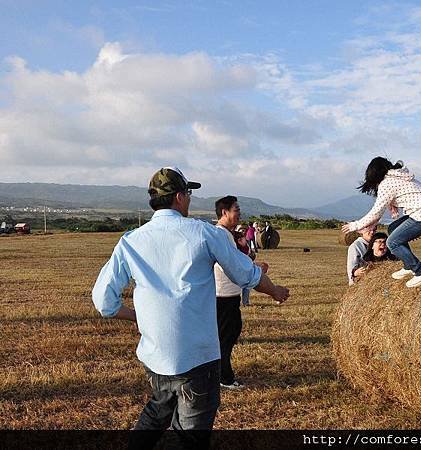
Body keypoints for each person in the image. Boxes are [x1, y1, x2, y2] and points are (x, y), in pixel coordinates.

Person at [91, 167, 289, 445]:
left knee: (157, 411)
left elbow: (104, 302)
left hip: (155, 357)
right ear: (180, 197)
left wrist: (135, 316)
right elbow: (247, 275)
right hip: (198, 359)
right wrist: (276, 291)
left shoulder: (130, 241)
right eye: (189, 193)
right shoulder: (204, 233)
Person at [341, 157, 421, 288]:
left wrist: (355, 225)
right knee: (393, 228)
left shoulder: (387, 184)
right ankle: (408, 265)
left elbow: (376, 212)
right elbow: (378, 215)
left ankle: (420, 272)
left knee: (392, 242)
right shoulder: (398, 177)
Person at [214, 196, 254, 389]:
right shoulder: (220, 235)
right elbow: (227, 265)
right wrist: (253, 269)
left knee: (229, 333)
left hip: (228, 294)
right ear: (224, 212)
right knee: (226, 337)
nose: (239, 213)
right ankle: (224, 377)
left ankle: (220, 374)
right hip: (222, 296)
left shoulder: (226, 234)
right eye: (236, 209)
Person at [234, 229, 258, 306]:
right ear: (239, 240)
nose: (246, 239)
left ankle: (245, 301)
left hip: (244, 268)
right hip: (241, 269)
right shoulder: (238, 250)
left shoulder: (245, 247)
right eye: (244, 238)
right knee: (246, 285)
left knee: (246, 286)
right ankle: (245, 302)